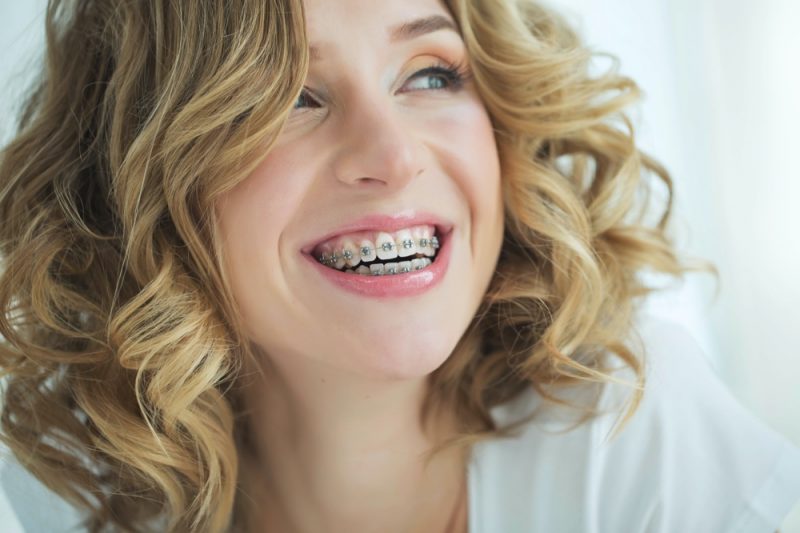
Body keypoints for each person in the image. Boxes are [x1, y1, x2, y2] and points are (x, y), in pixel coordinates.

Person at [0, 0, 798, 532]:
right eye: (289, 100)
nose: (391, 155)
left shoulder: (631, 434)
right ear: (138, 180)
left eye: (430, 74)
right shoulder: (66, 496)